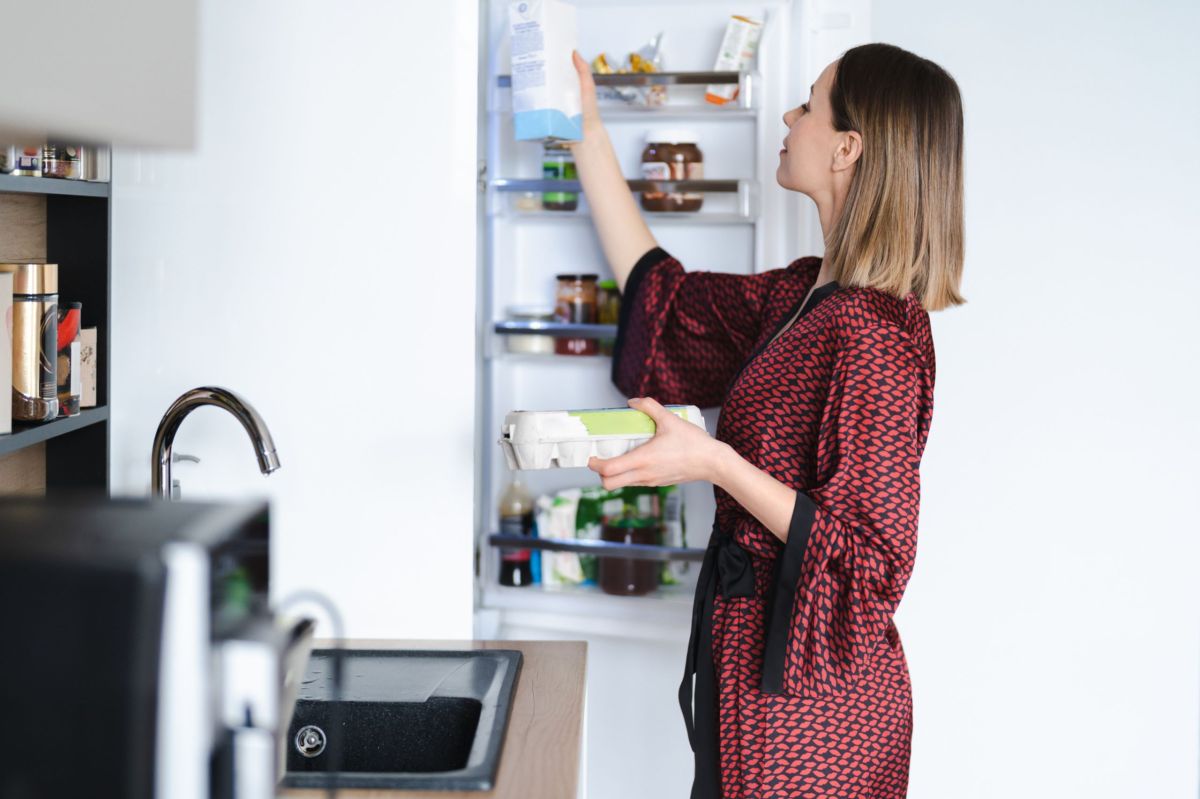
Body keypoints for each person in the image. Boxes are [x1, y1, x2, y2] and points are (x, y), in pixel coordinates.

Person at [569, 42, 966, 798]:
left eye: (810, 104)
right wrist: (587, 131)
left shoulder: (876, 335)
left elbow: (874, 561)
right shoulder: (804, 295)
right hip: (756, 675)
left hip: (814, 706)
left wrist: (713, 461)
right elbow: (670, 304)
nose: (789, 115)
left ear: (849, 147)